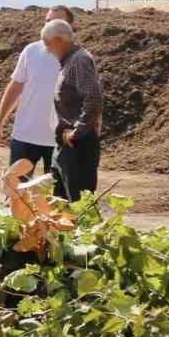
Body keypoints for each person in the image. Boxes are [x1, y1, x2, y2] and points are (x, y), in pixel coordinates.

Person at [0, 6, 77, 175]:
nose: (50, 26)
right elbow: (15, 88)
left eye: (57, 21)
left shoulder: (79, 57)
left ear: (71, 27)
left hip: (60, 140)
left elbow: (89, 100)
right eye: (48, 21)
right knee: (16, 193)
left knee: (55, 197)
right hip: (25, 136)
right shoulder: (31, 51)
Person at [42, 19, 104, 202]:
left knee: (78, 206)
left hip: (77, 148)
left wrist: (78, 131)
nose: (46, 49)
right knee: (59, 206)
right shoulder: (69, 61)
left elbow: (93, 98)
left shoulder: (80, 61)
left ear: (59, 40)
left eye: (47, 44)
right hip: (64, 147)